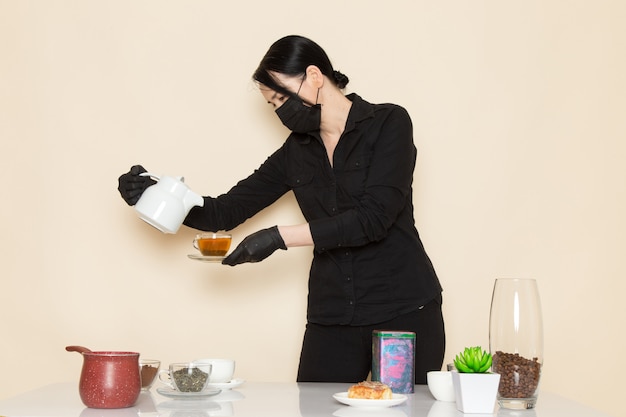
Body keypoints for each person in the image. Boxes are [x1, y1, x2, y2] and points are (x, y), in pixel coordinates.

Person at [118, 35, 445, 384]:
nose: (280, 111)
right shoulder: (296, 153)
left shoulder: (388, 122)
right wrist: (154, 197)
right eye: (272, 105)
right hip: (332, 314)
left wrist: (278, 238)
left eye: (281, 98)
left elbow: (374, 219)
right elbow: (225, 212)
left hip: (404, 311)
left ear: (315, 76)